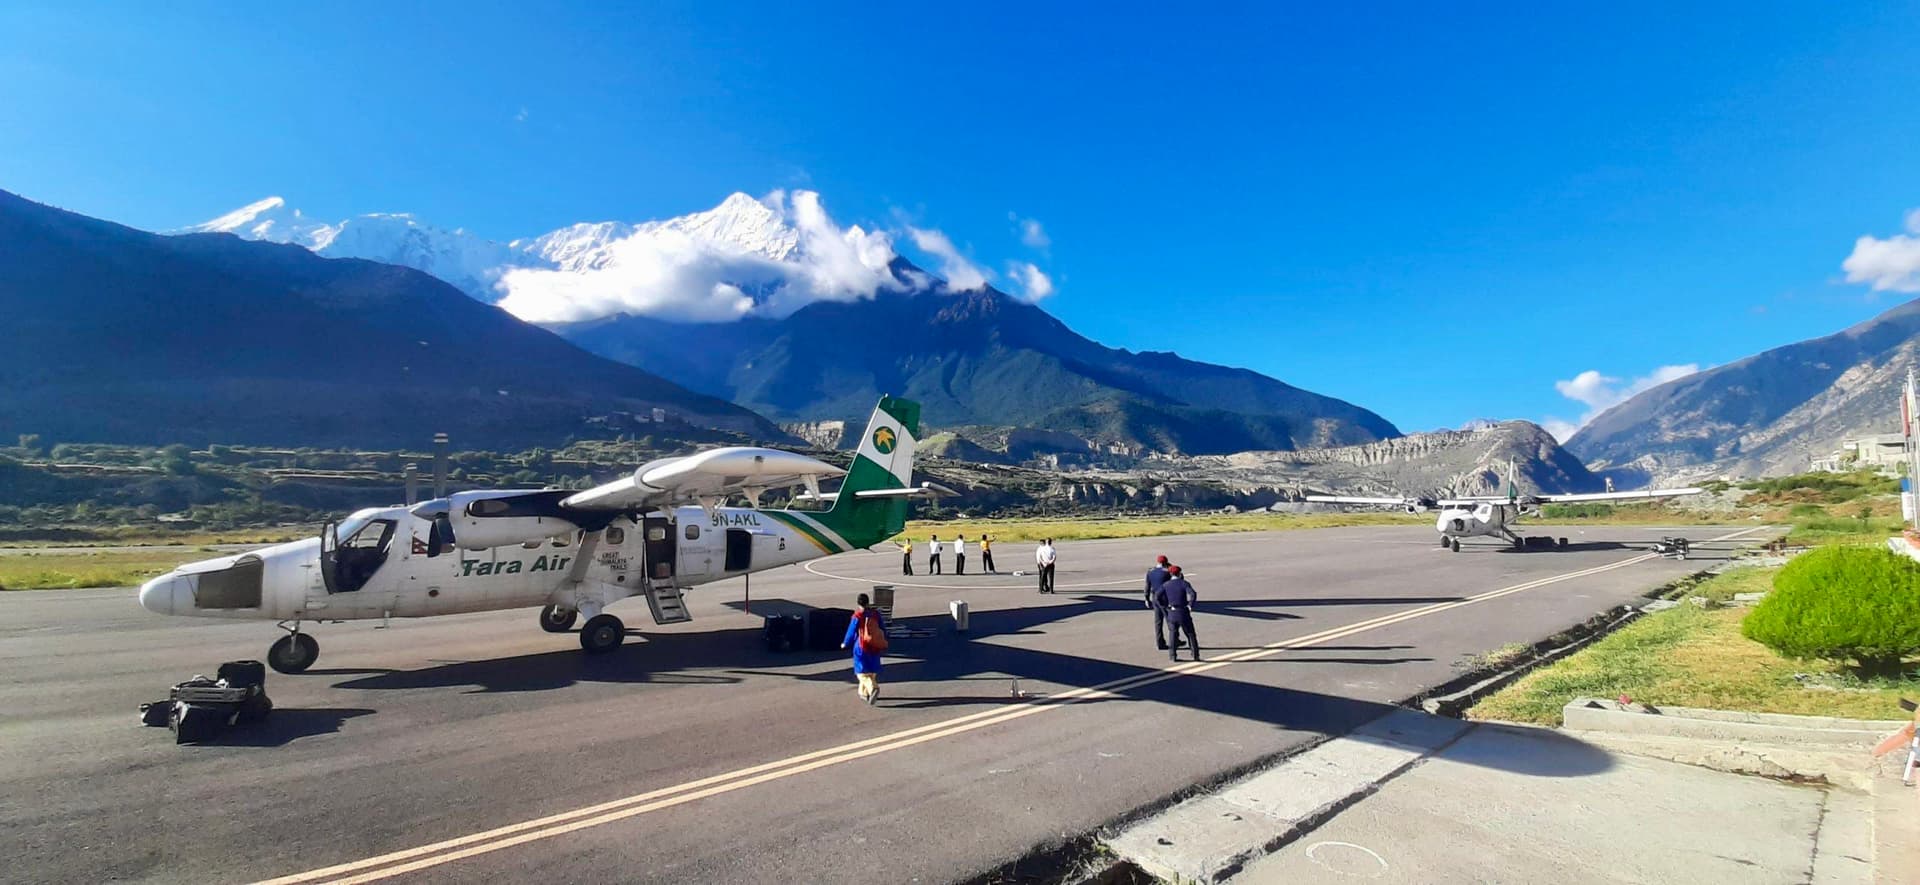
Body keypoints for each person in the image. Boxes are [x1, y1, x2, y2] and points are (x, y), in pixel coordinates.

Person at [840, 592, 887, 704]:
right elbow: (882, 628)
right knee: (871, 671)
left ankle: (873, 688)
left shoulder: (858, 616)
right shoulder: (875, 614)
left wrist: (845, 643)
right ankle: (863, 693)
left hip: (862, 646)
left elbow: (851, 632)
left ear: (858, 603)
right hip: (874, 645)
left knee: (862, 673)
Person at [1155, 565, 1199, 661]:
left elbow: (1157, 597)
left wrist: (1164, 607)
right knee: (1190, 633)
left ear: (1170, 574)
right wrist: (1190, 605)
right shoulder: (1184, 583)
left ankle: (1173, 655)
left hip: (1172, 612)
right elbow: (1193, 594)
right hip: (1183, 611)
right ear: (1180, 573)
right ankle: (1195, 654)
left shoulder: (1166, 585)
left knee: (1172, 634)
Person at [1145, 555, 1175, 650]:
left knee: (1158, 622)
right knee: (1170, 620)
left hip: (1155, 597)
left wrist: (1146, 598)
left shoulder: (1150, 571)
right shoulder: (1167, 572)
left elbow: (1147, 586)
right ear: (1165, 563)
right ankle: (1175, 640)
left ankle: (1160, 643)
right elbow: (1176, 580)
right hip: (1165, 598)